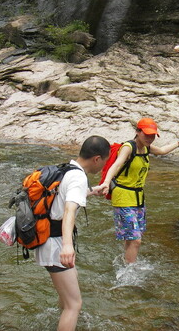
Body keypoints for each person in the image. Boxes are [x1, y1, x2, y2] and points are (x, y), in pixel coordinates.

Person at [35, 135, 110, 331]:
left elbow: (65, 195)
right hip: (55, 244)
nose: (103, 167)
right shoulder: (78, 177)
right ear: (97, 159)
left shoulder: (68, 168)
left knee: (69, 290)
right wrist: (67, 246)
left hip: (47, 240)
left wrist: (92, 190)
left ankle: (61, 320)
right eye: (104, 161)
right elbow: (68, 209)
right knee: (74, 305)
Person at [99, 118, 179, 264]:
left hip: (138, 198)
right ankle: (130, 271)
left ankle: (126, 261)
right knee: (136, 239)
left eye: (152, 135)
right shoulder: (128, 147)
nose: (149, 138)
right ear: (137, 132)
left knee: (132, 237)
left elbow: (163, 151)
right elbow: (117, 164)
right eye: (146, 134)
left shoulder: (147, 148)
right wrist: (106, 182)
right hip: (123, 196)